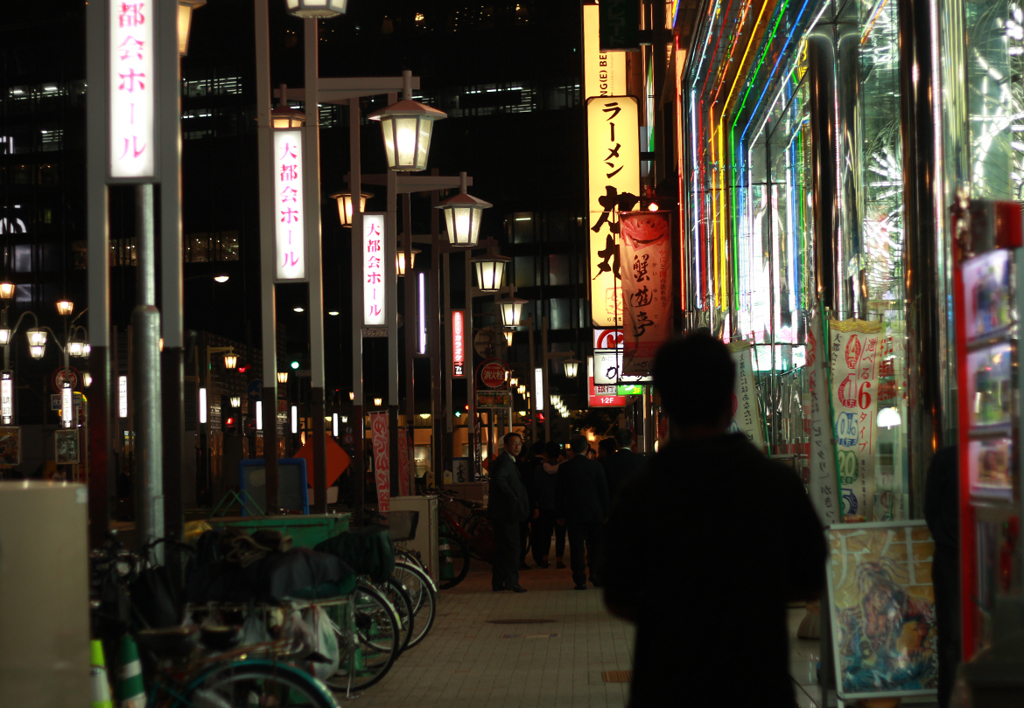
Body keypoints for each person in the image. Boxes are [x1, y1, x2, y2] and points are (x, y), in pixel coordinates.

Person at [603, 333, 827, 707]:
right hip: (758, 685)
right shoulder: (776, 485)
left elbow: (618, 595)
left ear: (666, 404)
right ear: (730, 401)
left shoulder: (641, 494)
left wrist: (673, 616)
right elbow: (812, 578)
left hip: (666, 686)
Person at [924, 445, 960, 708]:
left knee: (950, 638)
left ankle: (949, 701)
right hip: (985, 558)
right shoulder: (1000, 454)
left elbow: (930, 507)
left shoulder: (945, 458)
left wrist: (945, 535)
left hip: (949, 557)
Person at [557, 434, 609, 590]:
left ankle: (579, 579)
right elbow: (603, 492)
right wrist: (605, 512)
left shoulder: (565, 468)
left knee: (576, 547)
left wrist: (560, 514)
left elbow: (559, 493)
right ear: (587, 448)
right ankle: (595, 574)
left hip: (573, 513)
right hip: (594, 512)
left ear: (571, 449)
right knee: (595, 545)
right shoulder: (595, 466)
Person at [488, 432, 529, 593]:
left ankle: (498, 582)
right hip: (506, 513)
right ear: (505, 445)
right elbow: (500, 480)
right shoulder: (506, 461)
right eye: (514, 443)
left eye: (519, 443)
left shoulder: (506, 460)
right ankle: (512, 582)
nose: (517, 446)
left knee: (502, 548)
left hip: (501, 513)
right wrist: (513, 496)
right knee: (513, 548)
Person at [532, 441, 565, 568]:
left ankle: (545, 558)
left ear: (546, 453)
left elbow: (536, 486)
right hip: (560, 504)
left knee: (546, 533)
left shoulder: (540, 468)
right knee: (560, 534)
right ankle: (559, 559)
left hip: (545, 504)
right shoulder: (563, 468)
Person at [600, 428, 648, 503]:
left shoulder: (607, 461)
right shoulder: (641, 460)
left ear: (616, 442)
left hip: (615, 503)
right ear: (631, 442)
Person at [516, 441, 542, 569]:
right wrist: (535, 506)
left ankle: (516, 559)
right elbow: (531, 488)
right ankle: (520, 559)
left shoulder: (512, 466)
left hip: (513, 506)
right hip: (524, 506)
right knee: (522, 535)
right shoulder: (526, 468)